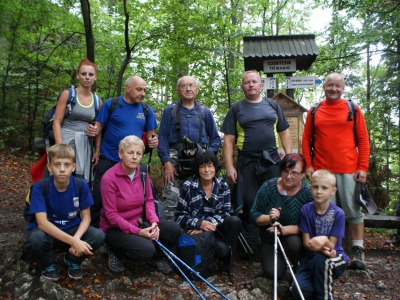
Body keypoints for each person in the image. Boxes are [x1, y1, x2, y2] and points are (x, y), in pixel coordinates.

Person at [302, 72, 370, 270]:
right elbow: (306, 139)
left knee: (353, 210)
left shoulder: (353, 109)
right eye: (330, 85)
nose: (334, 89)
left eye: (337, 86)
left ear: (343, 88)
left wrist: (362, 167)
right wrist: (308, 165)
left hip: (349, 168)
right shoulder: (315, 111)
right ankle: (326, 249)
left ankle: (357, 250)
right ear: (324, 86)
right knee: (323, 213)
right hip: (322, 170)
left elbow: (363, 139)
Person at [221, 70, 292, 252]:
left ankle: (274, 242)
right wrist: (229, 166)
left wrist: (289, 159)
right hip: (247, 163)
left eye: (254, 81)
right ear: (242, 87)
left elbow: (284, 132)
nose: (251, 85)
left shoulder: (273, 106)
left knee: (274, 200)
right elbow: (228, 140)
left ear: (261, 85)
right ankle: (250, 246)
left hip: (272, 162)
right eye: (247, 82)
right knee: (250, 202)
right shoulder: (236, 109)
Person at [100, 136, 181, 274]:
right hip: (114, 228)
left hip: (139, 220)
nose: (134, 157)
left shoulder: (142, 173)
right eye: (130, 152)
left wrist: (154, 222)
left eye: (138, 154)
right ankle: (116, 251)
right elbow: (111, 215)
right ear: (120, 154)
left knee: (173, 229)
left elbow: (149, 200)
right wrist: (139, 232)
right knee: (146, 249)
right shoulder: (109, 178)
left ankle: (157, 258)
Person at [23, 144, 105, 281]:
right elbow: (42, 224)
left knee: (99, 235)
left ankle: (73, 260)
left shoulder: (80, 185)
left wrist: (77, 239)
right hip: (48, 233)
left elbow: (86, 218)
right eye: (57, 164)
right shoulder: (40, 187)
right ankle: (47, 264)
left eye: (67, 165)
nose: (62, 169)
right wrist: (74, 241)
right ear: (49, 167)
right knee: (35, 238)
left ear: (73, 167)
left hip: (72, 230)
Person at [86, 76, 158, 227]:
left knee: (128, 198)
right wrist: (94, 132)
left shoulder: (146, 110)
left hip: (131, 161)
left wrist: (153, 140)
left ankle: (122, 229)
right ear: (127, 88)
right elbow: (98, 125)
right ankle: (92, 233)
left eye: (144, 90)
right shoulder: (111, 104)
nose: (142, 93)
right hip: (109, 157)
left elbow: (151, 133)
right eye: (139, 89)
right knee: (98, 196)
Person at [158, 76, 220, 220]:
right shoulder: (170, 110)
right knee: (171, 199)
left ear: (197, 89)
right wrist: (166, 162)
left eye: (191, 85)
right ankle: (170, 234)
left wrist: (208, 156)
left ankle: (200, 231)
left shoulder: (205, 112)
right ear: (178, 91)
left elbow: (215, 138)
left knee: (200, 196)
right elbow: (162, 138)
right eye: (184, 86)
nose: (188, 89)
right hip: (175, 158)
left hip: (200, 158)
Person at [175, 150, 241, 272]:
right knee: (221, 249)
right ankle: (205, 262)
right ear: (197, 169)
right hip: (196, 233)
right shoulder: (188, 186)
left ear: (215, 168)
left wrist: (205, 224)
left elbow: (225, 212)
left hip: (216, 230)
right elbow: (179, 216)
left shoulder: (222, 185)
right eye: (202, 166)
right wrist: (199, 224)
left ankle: (227, 263)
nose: (206, 170)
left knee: (234, 221)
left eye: (210, 166)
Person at [249, 153, 313, 279]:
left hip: (294, 238)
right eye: (285, 171)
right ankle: (280, 263)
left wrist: (283, 230)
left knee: (293, 243)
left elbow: (309, 225)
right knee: (273, 273)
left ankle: (298, 265)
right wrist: (269, 218)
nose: (289, 176)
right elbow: (254, 215)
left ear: (302, 174)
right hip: (270, 239)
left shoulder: (308, 194)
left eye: (294, 173)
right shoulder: (268, 187)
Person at [291, 170, 349, 300]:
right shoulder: (306, 210)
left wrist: (323, 242)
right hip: (311, 258)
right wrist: (321, 243)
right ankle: (317, 284)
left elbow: (331, 247)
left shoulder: (338, 213)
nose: (319, 191)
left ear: (333, 191)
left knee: (321, 262)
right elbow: (307, 243)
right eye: (316, 187)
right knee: (300, 289)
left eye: (324, 188)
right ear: (311, 187)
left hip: (335, 258)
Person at [51, 58, 102, 182]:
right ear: (77, 76)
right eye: (83, 74)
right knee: (62, 177)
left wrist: (97, 150)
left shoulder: (97, 101)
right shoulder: (68, 95)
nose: (87, 77)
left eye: (91, 74)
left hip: (86, 146)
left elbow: (99, 128)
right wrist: (60, 147)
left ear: (95, 77)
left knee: (81, 181)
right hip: (66, 141)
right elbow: (56, 122)